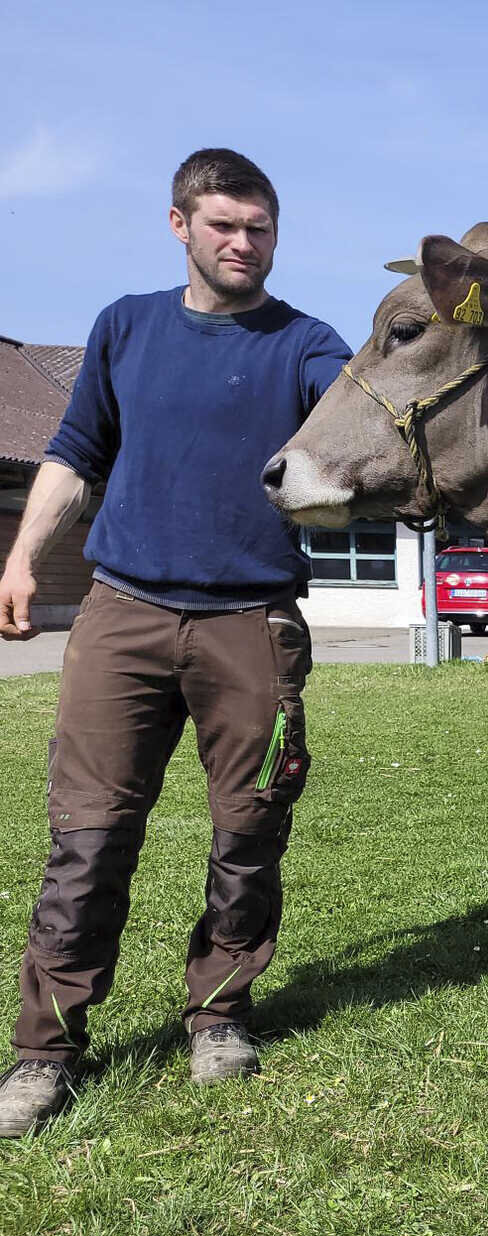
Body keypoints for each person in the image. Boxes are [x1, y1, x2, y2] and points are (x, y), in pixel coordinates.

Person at [0, 149, 350, 1135]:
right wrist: (25, 556)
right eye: (225, 226)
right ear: (179, 226)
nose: (244, 245)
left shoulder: (304, 343)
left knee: (249, 833)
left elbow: (361, 415)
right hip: (122, 612)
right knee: (88, 836)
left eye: (261, 229)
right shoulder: (126, 327)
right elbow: (74, 454)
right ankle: (45, 1051)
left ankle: (220, 1014)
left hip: (252, 623)